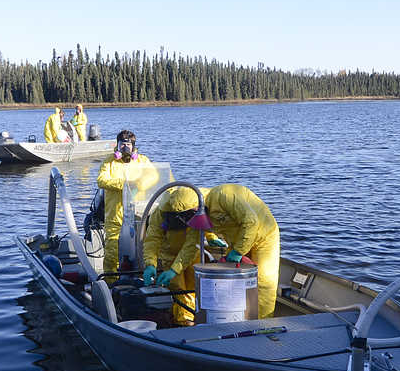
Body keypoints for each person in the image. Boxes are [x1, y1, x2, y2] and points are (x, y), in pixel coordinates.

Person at [141, 186, 228, 326]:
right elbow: (152, 239)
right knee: (178, 289)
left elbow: (191, 245)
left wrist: (210, 236)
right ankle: (183, 322)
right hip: (170, 255)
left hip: (193, 254)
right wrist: (150, 263)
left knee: (197, 286)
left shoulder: (196, 207)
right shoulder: (160, 214)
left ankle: (199, 317)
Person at [203, 184, 280, 319]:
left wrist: (238, 252)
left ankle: (262, 323)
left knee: (264, 282)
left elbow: (251, 222)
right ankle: (237, 318)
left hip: (264, 236)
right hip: (237, 240)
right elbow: (196, 235)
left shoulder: (224, 195)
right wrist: (211, 237)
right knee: (233, 281)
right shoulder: (193, 209)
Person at [95, 130, 159, 275]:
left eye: (128, 145)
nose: (125, 148)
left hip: (138, 215)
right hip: (114, 216)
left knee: (141, 250)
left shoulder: (142, 160)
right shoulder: (109, 162)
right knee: (112, 251)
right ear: (117, 146)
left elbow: (154, 176)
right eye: (122, 144)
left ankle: (141, 279)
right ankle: (111, 282)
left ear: (133, 146)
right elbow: (101, 180)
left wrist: (139, 184)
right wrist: (125, 184)